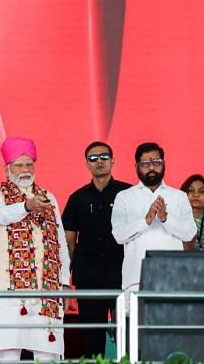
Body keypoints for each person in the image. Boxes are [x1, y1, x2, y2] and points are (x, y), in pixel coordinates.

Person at [0, 136, 71, 362]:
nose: (25, 169)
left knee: (48, 355)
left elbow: (60, 243)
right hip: (7, 293)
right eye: (19, 165)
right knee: (9, 354)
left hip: (46, 291)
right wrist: (27, 206)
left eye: (29, 164)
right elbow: (0, 216)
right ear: (7, 168)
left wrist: (65, 282)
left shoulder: (48, 198)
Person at [61, 141, 130, 358]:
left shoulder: (128, 194)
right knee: (92, 342)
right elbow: (69, 243)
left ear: (112, 161)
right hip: (89, 279)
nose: (99, 161)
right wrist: (68, 277)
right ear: (86, 164)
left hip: (123, 277)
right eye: (93, 158)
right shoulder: (77, 198)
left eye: (104, 157)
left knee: (127, 339)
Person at [111, 142, 196, 298]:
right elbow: (119, 235)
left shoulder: (179, 196)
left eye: (156, 162)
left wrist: (165, 218)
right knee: (136, 322)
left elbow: (189, 233)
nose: (151, 167)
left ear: (164, 164)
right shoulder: (124, 197)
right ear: (136, 166)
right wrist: (146, 220)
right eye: (145, 163)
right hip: (135, 279)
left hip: (173, 277)